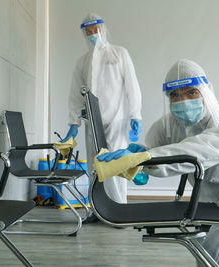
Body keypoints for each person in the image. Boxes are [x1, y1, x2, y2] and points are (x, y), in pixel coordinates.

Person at [97, 59, 219, 266]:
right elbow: (150, 160)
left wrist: (149, 158)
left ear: (206, 90)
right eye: (175, 95)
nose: (182, 100)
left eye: (191, 92)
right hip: (210, 196)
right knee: (210, 261)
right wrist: (137, 164)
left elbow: (203, 148)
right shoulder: (165, 128)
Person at [62, 13, 142, 205]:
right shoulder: (82, 61)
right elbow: (75, 94)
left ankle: (118, 207)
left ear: (102, 30)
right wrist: (74, 122)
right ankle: (97, 209)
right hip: (92, 120)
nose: (92, 34)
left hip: (117, 119)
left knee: (115, 163)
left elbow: (132, 85)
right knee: (94, 165)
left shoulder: (119, 53)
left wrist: (135, 114)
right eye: (88, 32)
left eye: (95, 30)